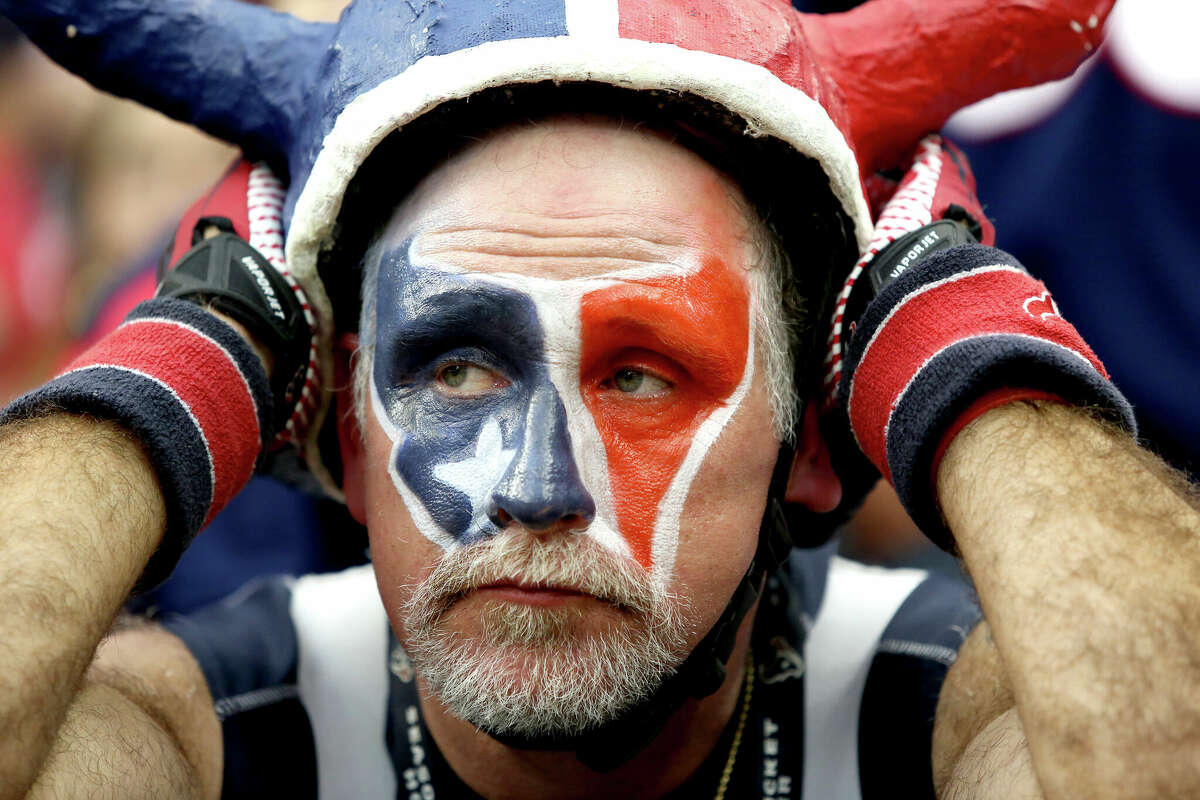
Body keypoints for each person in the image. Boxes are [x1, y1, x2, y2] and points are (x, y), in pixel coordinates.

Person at [2, 1, 1199, 799]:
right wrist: (188, 360)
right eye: (456, 367)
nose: (537, 486)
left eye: (640, 372)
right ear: (349, 445)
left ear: (814, 443)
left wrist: (959, 347)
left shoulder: (944, 716)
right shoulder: (212, 733)